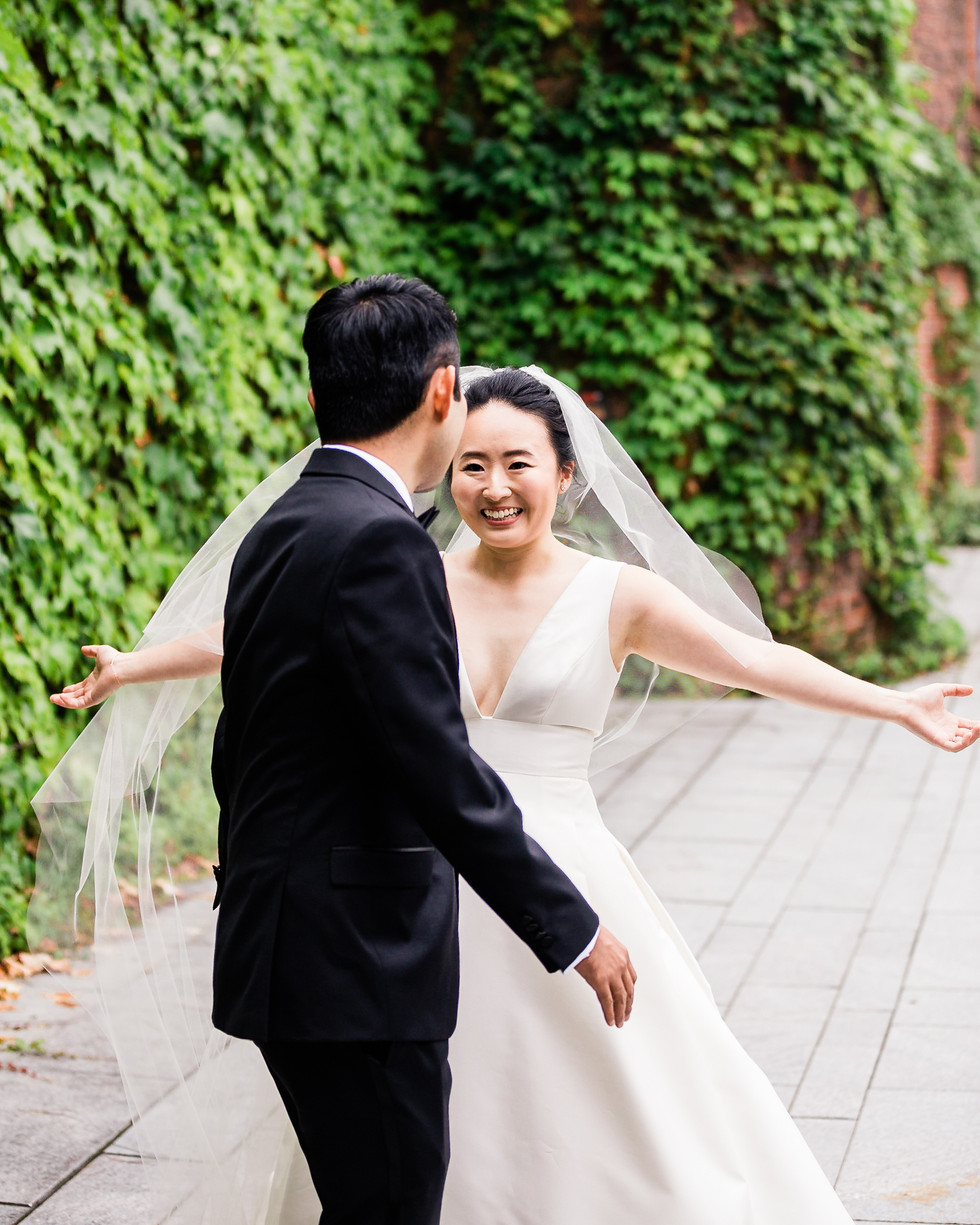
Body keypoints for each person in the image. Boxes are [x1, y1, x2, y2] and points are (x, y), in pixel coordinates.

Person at [45, 358, 978, 1224]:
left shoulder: (618, 595)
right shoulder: (411, 571)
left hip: (565, 878)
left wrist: (894, 706)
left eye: (518, 464)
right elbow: (243, 627)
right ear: (449, 470)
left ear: (566, 474)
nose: (494, 487)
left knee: (625, 1114)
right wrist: (136, 667)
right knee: (413, 1133)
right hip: (419, 881)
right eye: (474, 465)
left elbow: (751, 660)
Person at [39, 279, 638, 1225]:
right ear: (444, 391)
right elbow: (438, 767)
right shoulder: (378, 543)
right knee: (391, 1206)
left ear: (317, 397)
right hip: (359, 962)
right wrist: (572, 927)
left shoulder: (282, 526)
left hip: (292, 942)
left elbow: (244, 743)